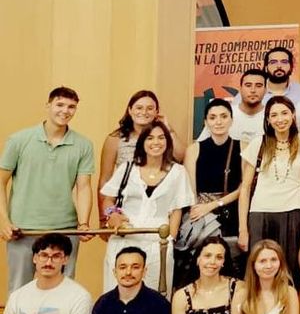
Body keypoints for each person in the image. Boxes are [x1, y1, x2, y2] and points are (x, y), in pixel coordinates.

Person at [2, 87, 95, 291]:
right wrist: (4, 222)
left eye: (71, 106)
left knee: (63, 290)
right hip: (23, 229)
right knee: (19, 289)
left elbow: (83, 187)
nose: (65, 110)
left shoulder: (83, 145)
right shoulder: (19, 140)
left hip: (65, 229)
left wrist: (83, 222)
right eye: (60, 105)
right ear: (48, 106)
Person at [102, 119, 194, 289]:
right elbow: (108, 198)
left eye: (161, 138)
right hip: (124, 237)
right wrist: (112, 214)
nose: (156, 143)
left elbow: (177, 209)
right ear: (142, 142)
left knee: (155, 294)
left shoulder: (178, 172)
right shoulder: (127, 169)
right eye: (150, 138)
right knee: (118, 292)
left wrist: (170, 238)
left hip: (158, 241)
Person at [239, 96, 300, 267]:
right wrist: (243, 229)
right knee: (260, 266)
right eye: (274, 115)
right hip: (260, 211)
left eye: (284, 113)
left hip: (294, 210)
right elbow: (245, 188)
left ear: (293, 115)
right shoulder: (257, 144)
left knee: (290, 266)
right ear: (268, 119)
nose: (280, 119)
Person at [181, 99, 244, 285]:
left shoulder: (243, 147)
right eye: (213, 117)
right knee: (202, 263)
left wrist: (214, 205)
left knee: (232, 265)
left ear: (232, 120)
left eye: (224, 116)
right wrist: (199, 209)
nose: (218, 122)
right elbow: (190, 189)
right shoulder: (194, 149)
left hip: (231, 213)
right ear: (206, 122)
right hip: (202, 216)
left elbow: (244, 188)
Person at [99, 90, 185, 200]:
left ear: (156, 112)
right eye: (139, 108)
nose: (144, 112)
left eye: (150, 108)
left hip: (160, 201)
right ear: (130, 110)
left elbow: (181, 156)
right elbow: (105, 178)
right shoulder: (115, 139)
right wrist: (105, 213)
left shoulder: (162, 137)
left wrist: (168, 129)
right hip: (126, 203)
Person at [229, 68, 269, 143]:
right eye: (248, 85)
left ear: (265, 90)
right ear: (240, 89)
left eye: (258, 86)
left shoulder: (272, 116)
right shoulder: (226, 114)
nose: (253, 90)